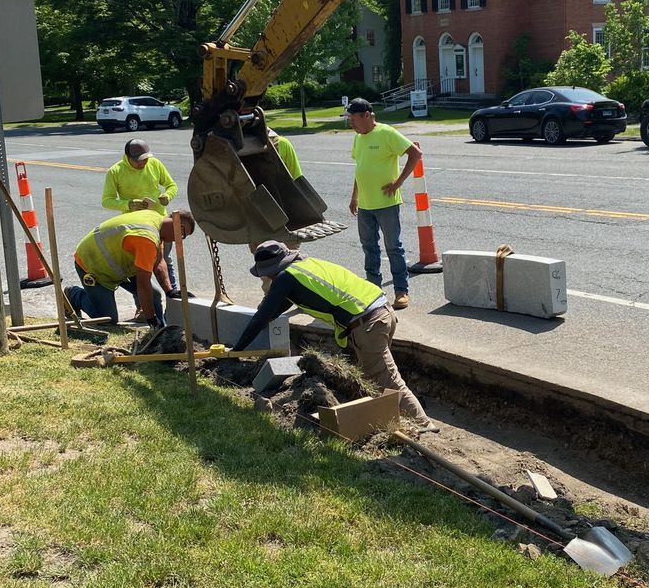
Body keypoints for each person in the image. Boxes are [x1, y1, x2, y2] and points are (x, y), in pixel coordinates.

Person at [233, 240, 437, 429]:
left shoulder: (286, 278)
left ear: (271, 271)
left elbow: (262, 317)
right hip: (381, 313)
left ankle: (424, 427)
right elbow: (276, 307)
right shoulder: (305, 266)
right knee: (373, 377)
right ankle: (389, 420)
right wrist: (266, 310)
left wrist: (237, 349)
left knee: (389, 381)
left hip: (368, 323)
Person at [346, 97, 421, 311]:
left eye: (353, 118)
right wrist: (354, 197)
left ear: (367, 116)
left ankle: (401, 291)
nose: (351, 122)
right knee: (369, 248)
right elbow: (360, 169)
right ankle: (373, 292)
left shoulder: (386, 133)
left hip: (386, 204)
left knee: (393, 247)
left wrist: (398, 183)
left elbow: (415, 154)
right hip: (365, 206)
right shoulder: (358, 138)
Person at [64, 210, 195, 327]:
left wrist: (170, 291)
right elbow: (143, 284)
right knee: (107, 319)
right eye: (183, 236)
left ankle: (161, 329)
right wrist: (151, 319)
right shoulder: (147, 238)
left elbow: (159, 262)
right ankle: (74, 295)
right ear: (180, 228)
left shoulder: (156, 223)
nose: (180, 241)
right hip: (94, 266)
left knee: (154, 295)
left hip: (118, 265)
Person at [102, 139, 180, 304]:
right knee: (139, 269)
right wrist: (128, 204)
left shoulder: (154, 164)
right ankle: (142, 306)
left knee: (165, 261)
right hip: (135, 227)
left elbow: (172, 185)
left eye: (145, 159)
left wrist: (167, 197)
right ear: (128, 157)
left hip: (159, 222)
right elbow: (107, 201)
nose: (143, 163)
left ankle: (174, 301)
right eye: (139, 160)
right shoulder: (115, 171)